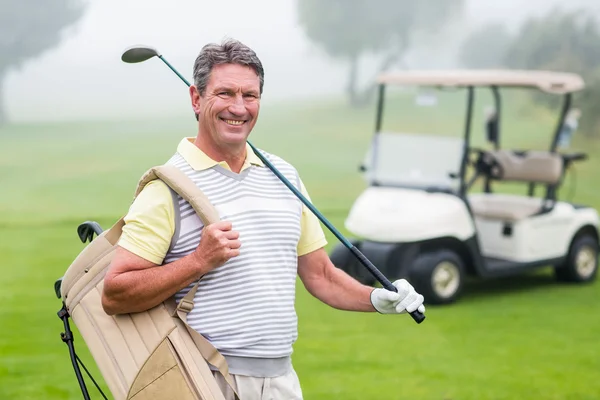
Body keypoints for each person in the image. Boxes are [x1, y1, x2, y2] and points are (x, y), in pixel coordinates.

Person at [101, 38, 425, 400]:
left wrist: (377, 298)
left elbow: (320, 275)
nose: (238, 108)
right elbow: (115, 293)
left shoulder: (283, 175)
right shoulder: (167, 188)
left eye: (250, 96)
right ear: (196, 98)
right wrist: (199, 260)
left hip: (281, 381)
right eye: (224, 93)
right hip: (203, 378)